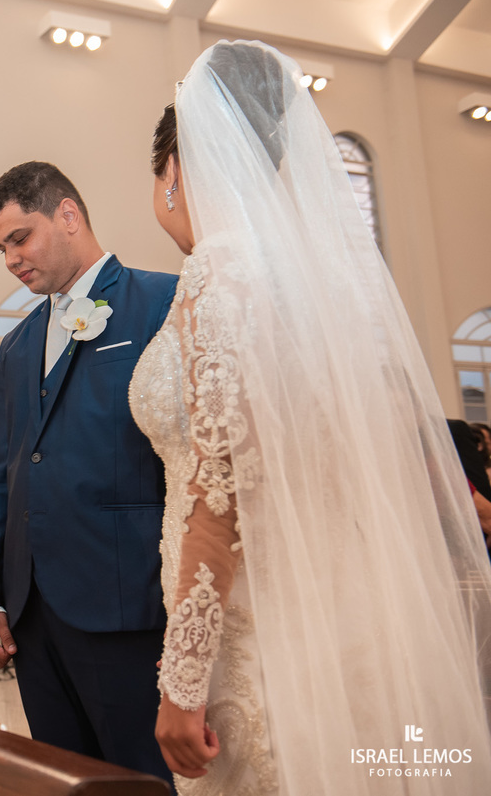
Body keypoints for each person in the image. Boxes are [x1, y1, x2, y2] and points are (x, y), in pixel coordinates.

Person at [133, 40, 491, 794]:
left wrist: (184, 679)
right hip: (333, 608)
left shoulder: (219, 273)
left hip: (251, 624)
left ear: (174, 170)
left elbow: (219, 492)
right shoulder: (314, 287)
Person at [0, 161, 177, 785]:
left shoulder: (163, 302)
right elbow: (3, 472)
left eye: (20, 238)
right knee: (67, 780)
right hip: (33, 612)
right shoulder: (17, 345)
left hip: (128, 598)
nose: (11, 259)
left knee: (142, 780)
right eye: (1, 249)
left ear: (67, 215)